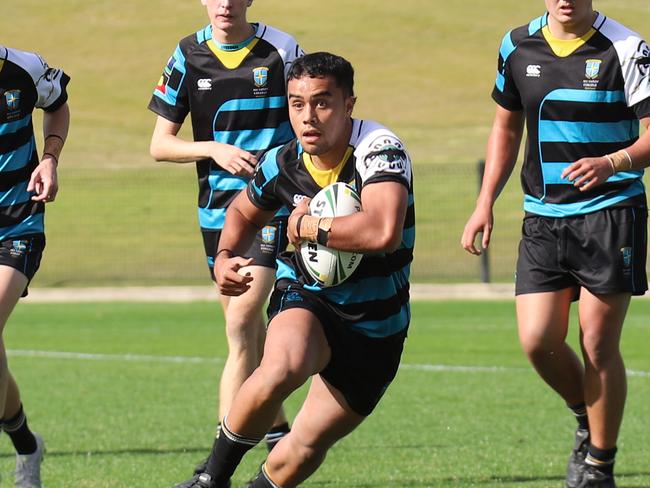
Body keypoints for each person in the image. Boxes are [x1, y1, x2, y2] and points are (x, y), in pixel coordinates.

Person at [173, 51, 415, 488]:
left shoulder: (379, 151)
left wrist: (306, 225)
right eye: (297, 103)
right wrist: (226, 254)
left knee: (302, 449)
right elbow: (243, 213)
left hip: (377, 325)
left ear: (349, 105)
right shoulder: (281, 161)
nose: (309, 117)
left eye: (322, 102)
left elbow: (382, 232)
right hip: (309, 296)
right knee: (282, 364)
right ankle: (211, 477)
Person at [462, 1, 650, 487]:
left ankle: (599, 467)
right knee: (538, 340)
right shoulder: (516, 44)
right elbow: (505, 127)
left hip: (611, 215)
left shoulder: (626, 48)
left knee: (596, 342)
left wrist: (613, 162)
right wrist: (485, 203)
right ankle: (586, 418)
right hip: (543, 219)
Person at [147, 0, 303, 481]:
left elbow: (309, 120)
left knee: (239, 328)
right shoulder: (187, 54)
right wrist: (211, 147)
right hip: (217, 217)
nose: (225, 3)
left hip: (269, 209)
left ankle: (214, 472)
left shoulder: (280, 49)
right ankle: (280, 438)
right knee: (251, 337)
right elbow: (160, 144)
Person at [0, 45, 70, 487]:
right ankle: (27, 444)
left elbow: (58, 105)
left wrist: (50, 157)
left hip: (17, 223)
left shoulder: (24, 68)